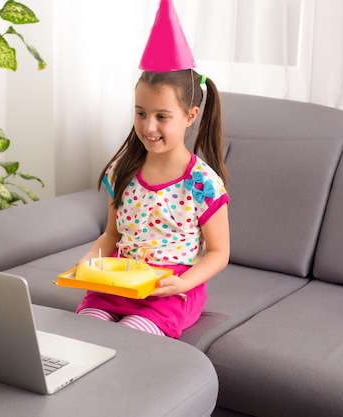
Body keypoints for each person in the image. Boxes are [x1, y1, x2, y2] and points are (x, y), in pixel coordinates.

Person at [75, 68, 230, 338]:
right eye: (141, 113)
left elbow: (219, 252)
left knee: (128, 339)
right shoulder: (122, 170)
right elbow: (112, 234)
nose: (148, 127)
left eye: (161, 116)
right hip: (118, 282)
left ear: (190, 115)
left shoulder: (203, 183)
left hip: (168, 292)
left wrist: (182, 284)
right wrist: (89, 261)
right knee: (86, 334)